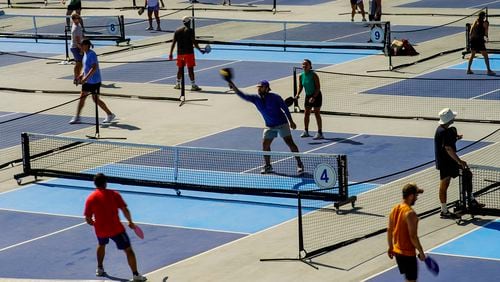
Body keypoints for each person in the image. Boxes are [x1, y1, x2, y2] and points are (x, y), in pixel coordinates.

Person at [228, 79, 304, 174]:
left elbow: (285, 109)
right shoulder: (255, 98)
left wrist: (291, 121)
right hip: (270, 126)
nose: (259, 89)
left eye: (261, 87)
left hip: (282, 123)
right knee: (265, 145)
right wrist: (234, 87)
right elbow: (242, 95)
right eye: (258, 87)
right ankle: (268, 166)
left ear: (267, 88)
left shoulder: (275, 97)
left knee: (290, 143)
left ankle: (299, 163)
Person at [84, 173, 147, 281]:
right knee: (128, 250)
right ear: (105, 183)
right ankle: (136, 275)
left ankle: (99, 269)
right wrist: (130, 222)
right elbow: (125, 210)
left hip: (100, 230)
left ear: (95, 184)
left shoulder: (90, 198)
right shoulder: (114, 194)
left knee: (101, 244)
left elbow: (88, 219)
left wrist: (96, 224)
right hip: (116, 229)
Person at [434, 108, 483, 218]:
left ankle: (471, 199)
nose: (454, 118)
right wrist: (459, 161)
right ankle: (444, 210)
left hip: (450, 161)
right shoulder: (443, 131)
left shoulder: (445, 130)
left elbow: (447, 143)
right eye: (452, 117)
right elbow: (448, 149)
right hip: (446, 163)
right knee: (444, 185)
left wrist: (456, 138)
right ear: (449, 119)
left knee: (467, 174)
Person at [69, 39, 116, 124]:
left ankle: (110, 114)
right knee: (82, 98)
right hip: (87, 82)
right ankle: (77, 117)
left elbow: (94, 68)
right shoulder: (85, 54)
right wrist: (81, 75)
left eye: (82, 45)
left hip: (94, 82)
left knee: (96, 100)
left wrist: (85, 78)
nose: (80, 46)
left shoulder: (92, 54)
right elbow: (86, 68)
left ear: (86, 45)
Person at [387, 183, 426, 282]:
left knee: (409, 280)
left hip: (398, 252)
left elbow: (389, 230)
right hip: (408, 254)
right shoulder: (410, 213)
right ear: (411, 196)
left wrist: (391, 247)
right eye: (416, 196)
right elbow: (413, 236)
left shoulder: (395, 209)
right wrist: (421, 252)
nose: (417, 198)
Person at [169, 16, 205, 91]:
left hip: (180, 54)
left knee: (180, 69)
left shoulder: (177, 31)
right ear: (188, 22)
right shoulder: (190, 31)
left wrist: (171, 53)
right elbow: (194, 42)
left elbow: (173, 43)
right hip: (189, 53)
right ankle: (193, 85)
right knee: (190, 69)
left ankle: (178, 84)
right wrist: (200, 50)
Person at [296, 59, 324, 140]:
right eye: (303, 64)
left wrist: (314, 97)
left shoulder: (314, 75)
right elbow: (300, 87)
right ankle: (306, 131)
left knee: (316, 113)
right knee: (306, 113)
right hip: (308, 96)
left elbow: (318, 87)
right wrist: (297, 94)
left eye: (306, 64)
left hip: (317, 95)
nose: (304, 66)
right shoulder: (301, 76)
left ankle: (320, 133)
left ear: (310, 66)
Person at [466, 11, 496, 76]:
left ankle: (468, 70)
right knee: (485, 55)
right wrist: (486, 38)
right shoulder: (485, 23)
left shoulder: (475, 21)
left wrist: (471, 39)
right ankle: (488, 70)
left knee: (472, 54)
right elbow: (486, 33)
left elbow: (471, 31)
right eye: (484, 15)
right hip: (479, 40)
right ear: (483, 16)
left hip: (473, 39)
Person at [70, 12, 83, 86]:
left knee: (80, 63)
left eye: (79, 18)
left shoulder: (78, 25)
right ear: (74, 19)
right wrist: (81, 49)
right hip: (75, 47)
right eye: (77, 18)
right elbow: (77, 41)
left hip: (77, 46)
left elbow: (81, 36)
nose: (79, 19)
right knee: (79, 63)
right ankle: (76, 78)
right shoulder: (75, 28)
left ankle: (78, 77)